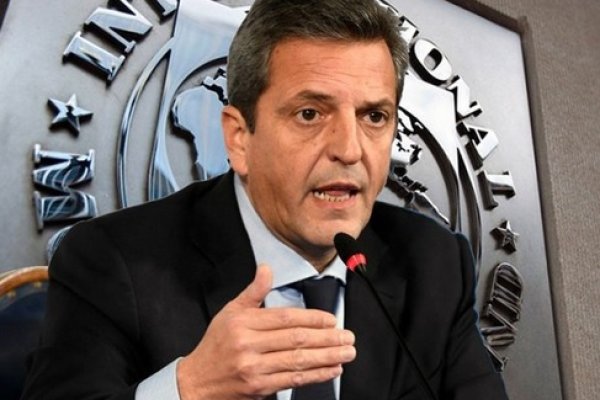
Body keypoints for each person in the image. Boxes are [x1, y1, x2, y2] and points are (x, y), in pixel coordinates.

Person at [22, 0, 508, 399]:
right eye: (310, 113)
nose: (349, 149)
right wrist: (188, 388)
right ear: (239, 139)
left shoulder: (433, 263)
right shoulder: (114, 261)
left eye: (374, 117)